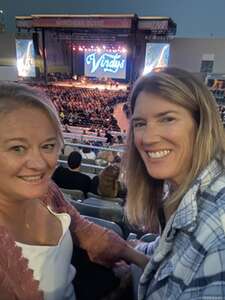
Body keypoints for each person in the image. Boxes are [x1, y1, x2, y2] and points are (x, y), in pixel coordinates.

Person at [0, 82, 148, 300]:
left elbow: (83, 229)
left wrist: (141, 259)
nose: (39, 164)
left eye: (48, 145)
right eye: (17, 148)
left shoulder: (47, 191)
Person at [124, 67, 225, 299]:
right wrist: (126, 249)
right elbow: (169, 251)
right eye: (140, 123)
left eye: (167, 119)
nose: (147, 138)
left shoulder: (220, 232)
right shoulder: (182, 187)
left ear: (201, 124)